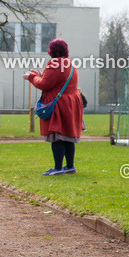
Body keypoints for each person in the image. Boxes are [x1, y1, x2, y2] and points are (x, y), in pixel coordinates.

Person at [23, 38, 83, 176]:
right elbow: (55, 81)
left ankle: (57, 168)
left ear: (52, 51)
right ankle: (69, 166)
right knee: (68, 136)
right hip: (72, 103)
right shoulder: (70, 64)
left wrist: (32, 77)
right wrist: (41, 76)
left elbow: (45, 84)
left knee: (57, 135)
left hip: (59, 104)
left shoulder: (55, 64)